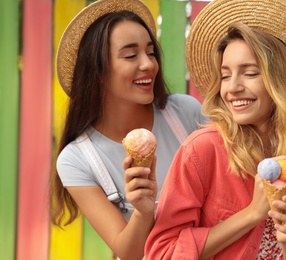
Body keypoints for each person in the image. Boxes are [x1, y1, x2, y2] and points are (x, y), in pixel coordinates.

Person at [145, 0, 286, 259]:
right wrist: (252, 214)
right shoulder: (202, 151)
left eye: (249, 73)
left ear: (283, 81)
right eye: (226, 75)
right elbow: (162, 253)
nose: (232, 88)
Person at [50, 0, 206, 259]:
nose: (148, 64)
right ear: (98, 71)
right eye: (131, 55)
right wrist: (143, 211)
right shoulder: (77, 159)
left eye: (151, 52)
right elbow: (129, 252)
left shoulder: (185, 113)